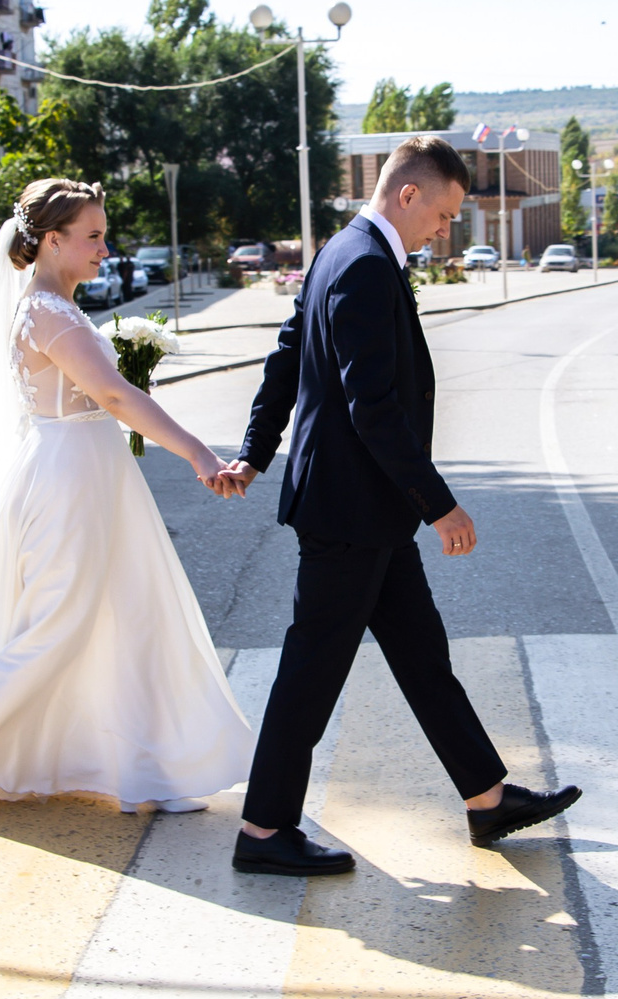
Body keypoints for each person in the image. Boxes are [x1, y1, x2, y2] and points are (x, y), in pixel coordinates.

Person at [217, 134, 582, 876]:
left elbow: (288, 354)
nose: (445, 230)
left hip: (368, 512)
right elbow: (372, 407)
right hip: (350, 513)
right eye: (443, 214)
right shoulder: (363, 265)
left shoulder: (343, 253)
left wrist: (256, 451)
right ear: (407, 195)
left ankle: (487, 797)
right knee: (310, 672)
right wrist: (439, 504)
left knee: (422, 657)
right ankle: (262, 830)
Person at [0, 179, 253, 815]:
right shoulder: (46, 312)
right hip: (71, 480)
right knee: (57, 624)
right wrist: (199, 453)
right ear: (52, 240)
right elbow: (115, 398)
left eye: (103, 235)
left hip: (95, 471)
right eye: (92, 236)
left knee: (136, 614)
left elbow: (106, 396)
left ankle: (157, 770)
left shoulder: (57, 309)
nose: (103, 248)